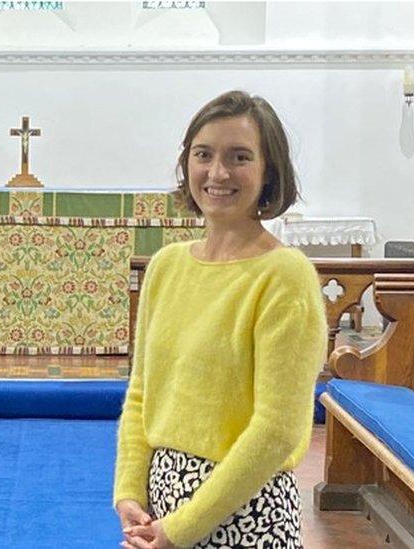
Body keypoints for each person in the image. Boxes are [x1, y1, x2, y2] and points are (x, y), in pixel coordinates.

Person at [113, 90, 327, 549]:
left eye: (240, 157)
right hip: (159, 508)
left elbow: (277, 431)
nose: (218, 173)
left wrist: (182, 528)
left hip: (246, 513)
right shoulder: (167, 266)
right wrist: (130, 491)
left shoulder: (285, 276)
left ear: (269, 173)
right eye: (203, 155)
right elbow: (141, 393)